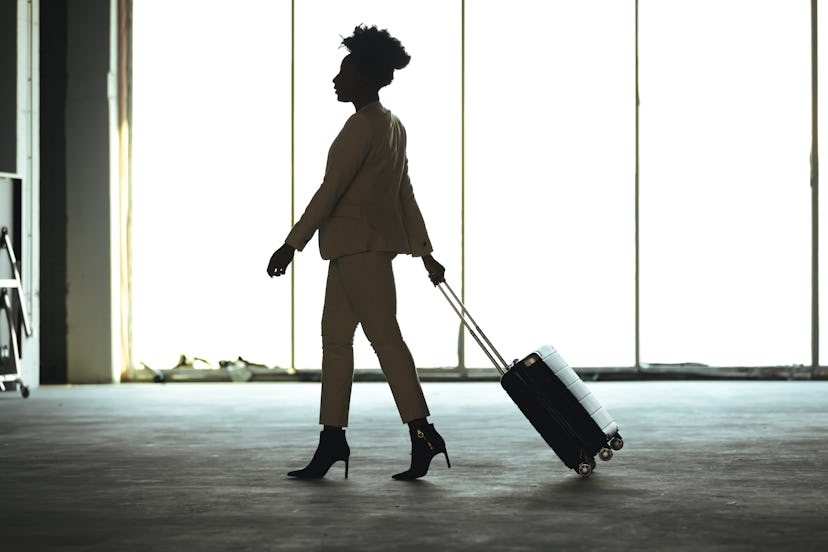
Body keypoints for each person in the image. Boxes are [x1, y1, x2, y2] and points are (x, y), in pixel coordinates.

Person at [267, 25, 449, 481]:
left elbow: (331, 190)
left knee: (385, 340)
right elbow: (404, 193)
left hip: (357, 251)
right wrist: (424, 252)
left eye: (345, 70)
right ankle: (332, 440)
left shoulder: (360, 126)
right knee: (336, 342)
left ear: (367, 77)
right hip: (357, 252)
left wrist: (292, 244)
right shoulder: (393, 126)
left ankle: (423, 433)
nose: (336, 78)